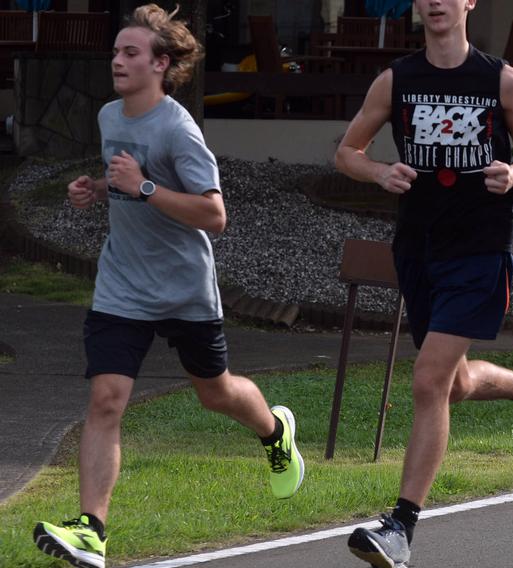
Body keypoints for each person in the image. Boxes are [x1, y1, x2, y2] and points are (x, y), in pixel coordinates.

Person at [32, 6, 304, 568]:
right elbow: (125, 185)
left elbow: (214, 215)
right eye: (115, 52)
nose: (118, 61)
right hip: (121, 285)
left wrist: (145, 185)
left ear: (161, 64)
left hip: (183, 290)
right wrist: (98, 190)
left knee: (215, 392)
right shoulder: (111, 116)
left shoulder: (179, 129)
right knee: (106, 399)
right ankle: (91, 530)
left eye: (131, 53)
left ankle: (275, 431)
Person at [334, 0, 513, 566]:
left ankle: (401, 526)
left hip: (481, 247)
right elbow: (346, 152)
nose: (435, 2)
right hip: (420, 246)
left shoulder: (502, 80)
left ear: (468, 3)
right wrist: (379, 170)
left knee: (428, 379)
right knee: (451, 383)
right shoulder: (396, 80)